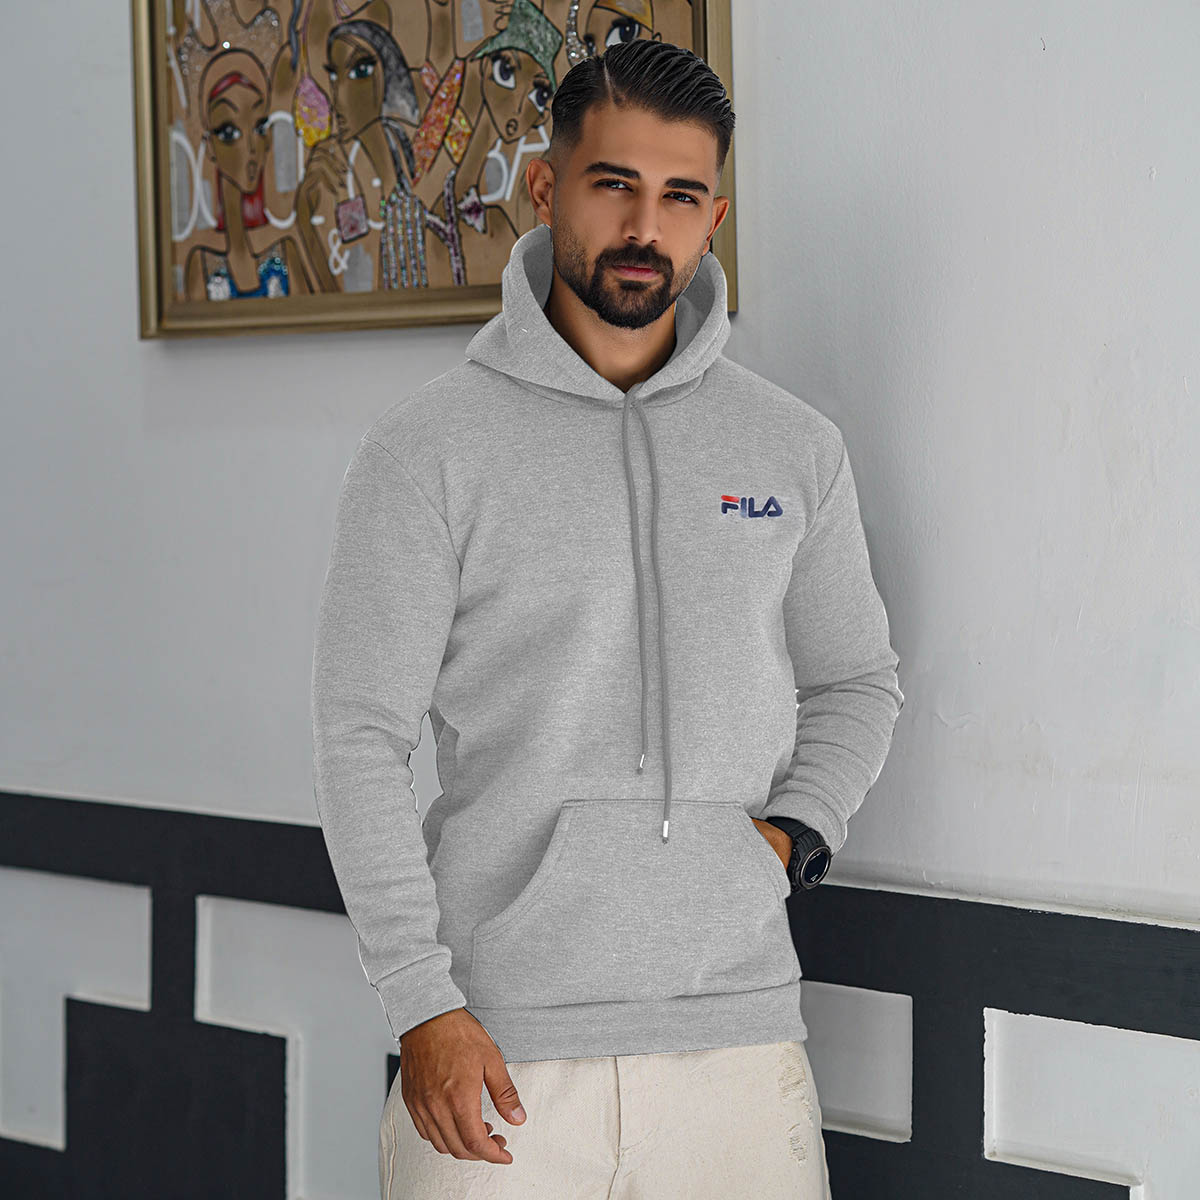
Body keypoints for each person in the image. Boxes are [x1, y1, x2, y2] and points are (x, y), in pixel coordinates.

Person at [311, 38, 904, 1199]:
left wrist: (794, 834)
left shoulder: (792, 448)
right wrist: (421, 1001)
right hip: (499, 1043)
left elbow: (857, 680)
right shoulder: (428, 451)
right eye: (613, 184)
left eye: (680, 196)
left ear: (713, 217)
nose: (645, 225)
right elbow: (358, 738)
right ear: (546, 188)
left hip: (739, 1046)